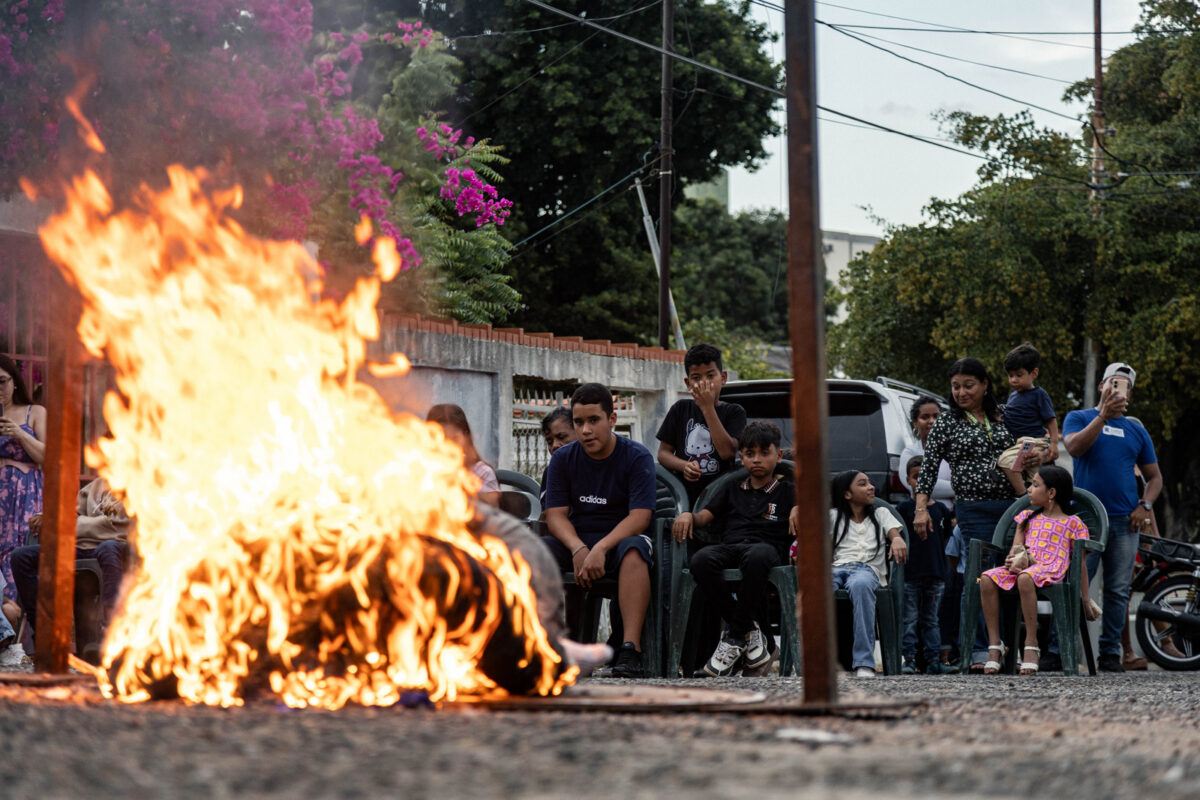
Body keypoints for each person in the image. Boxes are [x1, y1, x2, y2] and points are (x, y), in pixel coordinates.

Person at [913, 357, 1030, 671]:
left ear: (985, 384)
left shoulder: (1004, 416)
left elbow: (1028, 451)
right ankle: (979, 651)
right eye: (955, 387)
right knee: (978, 578)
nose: (961, 392)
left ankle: (1011, 652)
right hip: (973, 509)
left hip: (1013, 508)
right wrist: (921, 508)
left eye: (968, 385)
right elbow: (928, 470)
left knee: (1012, 576)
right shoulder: (947, 422)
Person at [543, 382, 657, 678]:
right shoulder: (562, 459)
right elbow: (554, 515)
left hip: (620, 538)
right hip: (578, 539)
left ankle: (631, 650)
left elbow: (640, 516)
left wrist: (601, 548)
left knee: (635, 550)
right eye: (579, 422)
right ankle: (546, 645)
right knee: (534, 553)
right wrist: (578, 548)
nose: (585, 430)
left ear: (612, 420)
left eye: (594, 420)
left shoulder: (636, 456)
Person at [1057, 362, 1161, 673]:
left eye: (1124, 385)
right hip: (1085, 519)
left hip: (1123, 522)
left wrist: (1144, 505)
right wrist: (1102, 416)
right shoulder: (1080, 417)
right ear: (1102, 386)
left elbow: (1155, 478)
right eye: (1113, 383)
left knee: (1117, 590)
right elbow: (1073, 448)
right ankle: (1062, 650)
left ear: (1130, 393)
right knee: (1073, 582)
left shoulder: (1136, 431)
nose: (1117, 389)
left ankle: (1110, 654)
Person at [672, 421, 798, 677]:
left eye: (765, 453)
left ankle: (734, 637)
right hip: (731, 547)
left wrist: (800, 508)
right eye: (750, 454)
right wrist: (687, 515)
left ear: (779, 455)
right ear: (741, 458)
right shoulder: (732, 488)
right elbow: (705, 516)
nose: (757, 460)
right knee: (701, 560)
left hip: (766, 549)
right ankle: (748, 634)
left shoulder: (788, 491)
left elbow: (819, 501)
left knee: (757, 556)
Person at [979, 465, 1098, 675]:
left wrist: (1085, 599)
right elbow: (1017, 551)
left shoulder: (1074, 523)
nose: (1029, 490)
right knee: (987, 578)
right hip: (1026, 566)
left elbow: (1080, 565)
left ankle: (1031, 644)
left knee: (1026, 578)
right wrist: (1013, 560)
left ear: (1051, 493)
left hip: (1052, 569)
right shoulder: (1027, 517)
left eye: (1035, 485)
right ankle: (995, 644)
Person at [11, 478, 133, 662]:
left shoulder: (140, 477)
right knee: (21, 556)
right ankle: (46, 636)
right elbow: (70, 512)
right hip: (80, 547)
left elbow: (116, 524)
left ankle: (111, 632)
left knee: (108, 546)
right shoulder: (99, 483)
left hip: (118, 549)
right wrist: (49, 515)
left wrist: (66, 523)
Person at [830, 470, 908, 677]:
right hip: (835, 568)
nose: (871, 487)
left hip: (867, 570)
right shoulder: (833, 516)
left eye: (870, 483)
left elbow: (894, 532)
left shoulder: (881, 514)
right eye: (863, 484)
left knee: (861, 586)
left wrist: (897, 539)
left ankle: (864, 662)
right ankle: (818, 658)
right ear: (847, 494)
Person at [656, 343, 747, 507]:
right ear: (688, 382)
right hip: (684, 500)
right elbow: (663, 453)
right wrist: (684, 466)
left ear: (723, 378)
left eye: (710, 376)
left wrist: (707, 408)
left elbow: (727, 452)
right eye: (697, 378)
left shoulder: (734, 412)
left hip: (721, 501)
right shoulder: (680, 409)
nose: (704, 383)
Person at [895, 455, 951, 674]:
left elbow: (945, 537)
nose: (920, 482)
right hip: (910, 573)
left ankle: (933, 660)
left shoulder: (941, 511)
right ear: (908, 480)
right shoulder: (903, 509)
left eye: (925, 477)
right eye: (916, 477)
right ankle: (909, 659)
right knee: (909, 619)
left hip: (936, 573)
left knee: (931, 619)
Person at [0, 356, 46, 613]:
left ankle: (19, 642)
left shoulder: (35, 412)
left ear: (14, 382)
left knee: (18, 554)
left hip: (23, 494)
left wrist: (17, 432)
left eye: (2, 382)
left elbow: (47, 456)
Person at [997, 343, 1060, 478]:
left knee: (1033, 476)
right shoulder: (1012, 396)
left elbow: (1051, 420)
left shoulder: (1039, 394)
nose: (1013, 380)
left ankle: (1023, 495)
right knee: (1029, 476)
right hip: (1017, 443)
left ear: (1034, 373)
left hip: (1033, 442)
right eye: (1010, 375)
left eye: (1019, 375)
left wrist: (1053, 444)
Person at [426, 404, 500, 508]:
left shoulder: (482, 472)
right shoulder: (421, 472)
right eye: (442, 440)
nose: (449, 446)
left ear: (466, 437)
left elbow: (491, 515)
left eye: (455, 439)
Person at [899, 396, 954, 511]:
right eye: (925, 417)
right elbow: (915, 485)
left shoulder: (955, 449)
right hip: (923, 516)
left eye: (936, 416)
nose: (932, 421)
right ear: (915, 423)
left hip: (954, 518)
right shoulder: (910, 453)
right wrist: (959, 487)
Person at [538, 406, 576, 507]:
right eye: (549, 442)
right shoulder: (550, 472)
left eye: (562, 437)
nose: (555, 445)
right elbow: (547, 514)